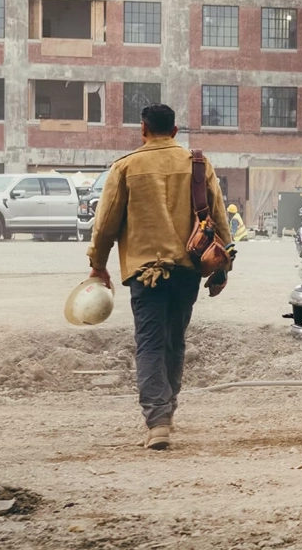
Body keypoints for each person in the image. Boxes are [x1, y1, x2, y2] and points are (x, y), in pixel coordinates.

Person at [87, 103, 234, 450]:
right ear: (174, 131)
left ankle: (158, 422)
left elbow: (105, 223)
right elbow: (219, 219)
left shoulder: (126, 167)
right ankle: (167, 410)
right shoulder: (198, 164)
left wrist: (98, 264)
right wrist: (223, 267)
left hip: (145, 273)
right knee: (175, 341)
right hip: (187, 270)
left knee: (150, 343)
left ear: (142, 129)